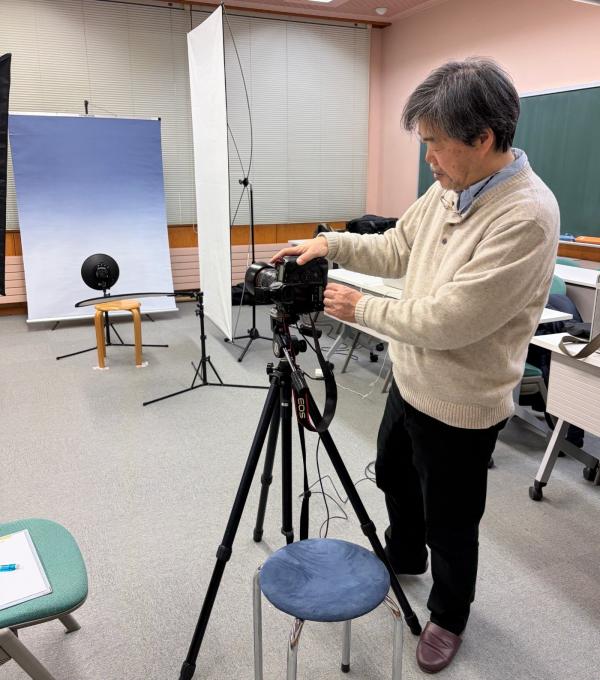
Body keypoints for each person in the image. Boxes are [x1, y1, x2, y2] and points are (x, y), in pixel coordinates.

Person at [272, 58, 559, 673]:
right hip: (411, 381)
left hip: (462, 401)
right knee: (395, 478)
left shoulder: (526, 215)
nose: (428, 158)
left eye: (435, 143)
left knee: (451, 520)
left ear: (483, 138)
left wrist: (360, 308)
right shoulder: (450, 186)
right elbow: (398, 245)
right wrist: (332, 243)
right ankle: (404, 556)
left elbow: (451, 320)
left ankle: (449, 615)